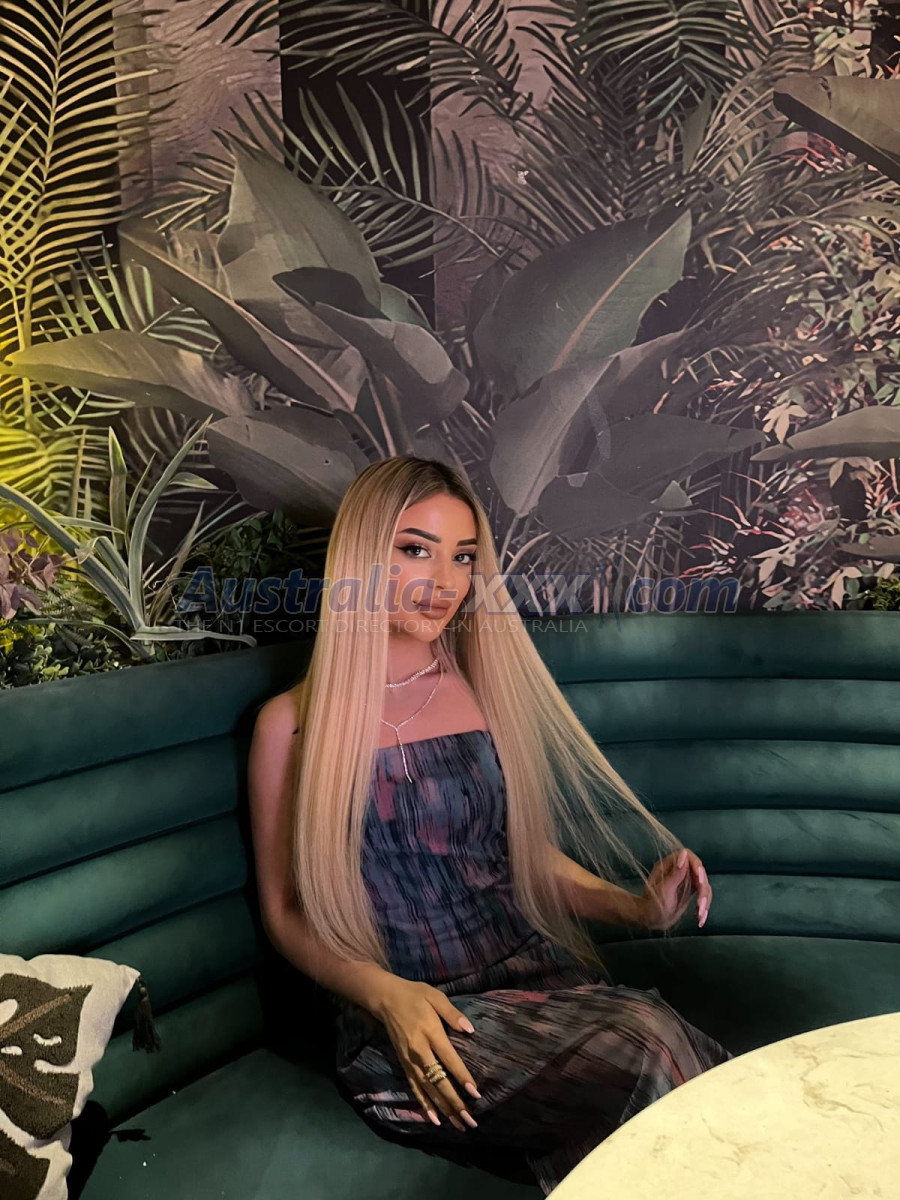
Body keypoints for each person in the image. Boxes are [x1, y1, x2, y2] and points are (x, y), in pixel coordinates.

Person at [247, 455, 733, 1195]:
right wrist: (385, 995)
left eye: (463, 557)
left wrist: (637, 908)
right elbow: (285, 911)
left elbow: (521, 857)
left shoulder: (478, 690)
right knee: (647, 1044)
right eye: (416, 549)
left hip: (538, 987)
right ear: (362, 556)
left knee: (664, 1067)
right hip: (414, 1022)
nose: (444, 581)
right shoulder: (290, 725)